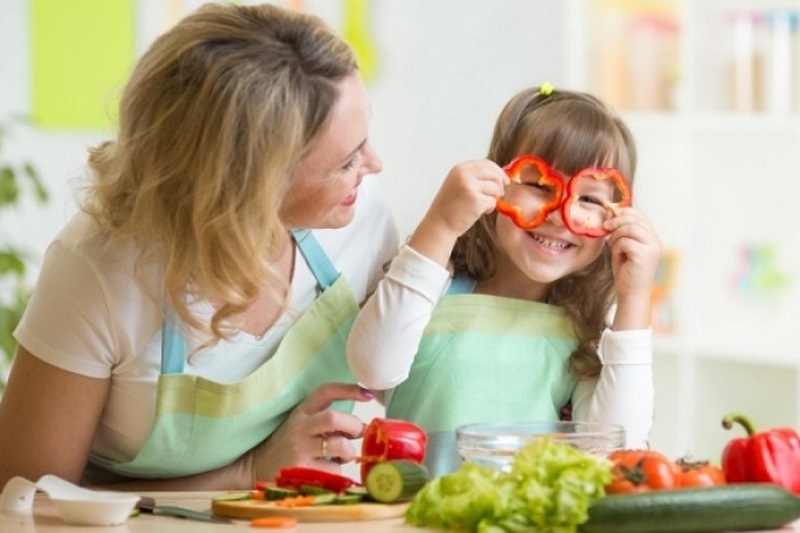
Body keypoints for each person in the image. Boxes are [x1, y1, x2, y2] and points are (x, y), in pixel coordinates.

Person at [0, 3, 399, 490]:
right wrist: (247, 474)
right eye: (345, 161)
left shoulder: (359, 214)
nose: (373, 165)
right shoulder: (100, 270)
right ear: (251, 185)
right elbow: (22, 498)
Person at [347, 85, 661, 476]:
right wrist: (441, 225)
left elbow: (620, 448)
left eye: (591, 199)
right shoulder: (434, 286)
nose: (560, 214)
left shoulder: (585, 327)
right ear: (497, 182)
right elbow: (373, 368)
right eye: (539, 185)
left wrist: (634, 299)